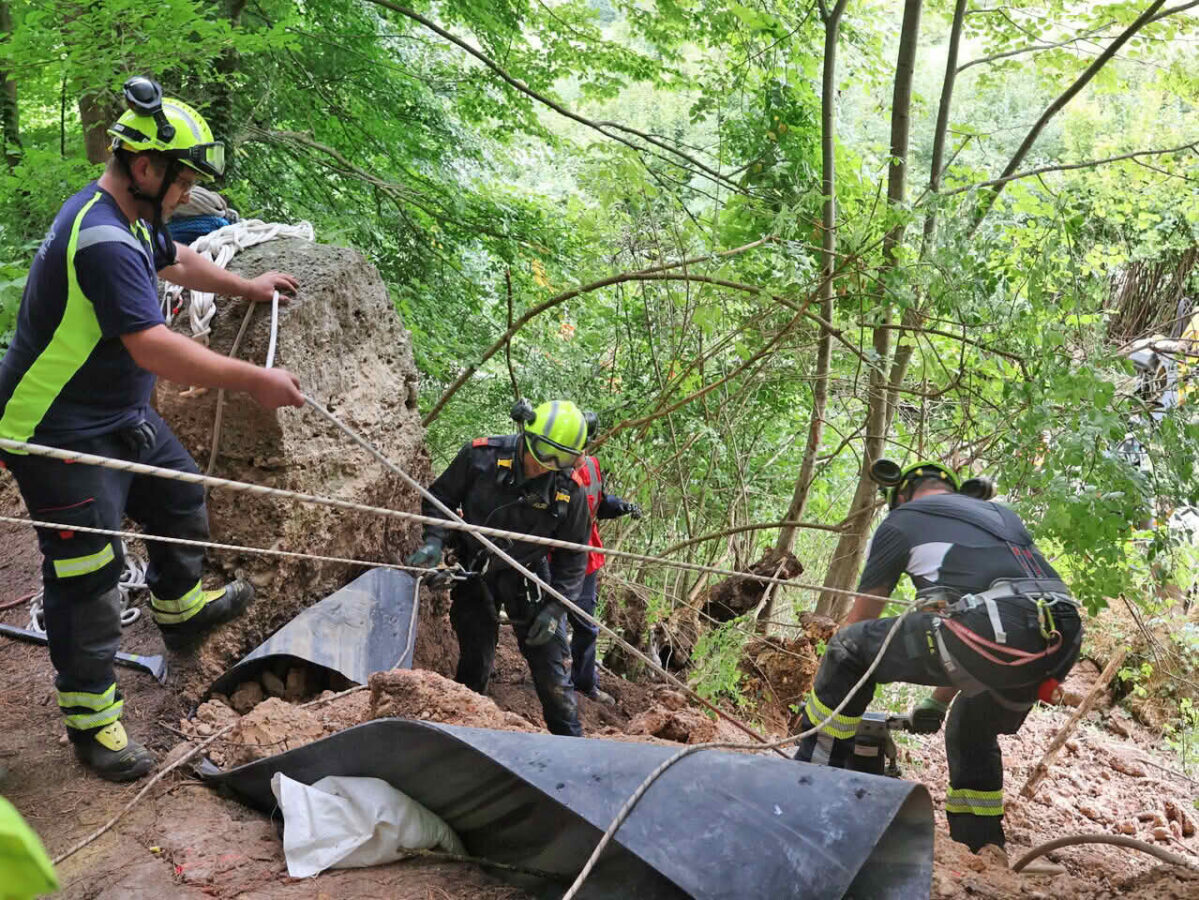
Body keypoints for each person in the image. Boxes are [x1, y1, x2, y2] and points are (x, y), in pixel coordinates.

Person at [0, 78, 304, 782]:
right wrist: (253, 380)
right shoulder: (102, 238)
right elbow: (152, 346)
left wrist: (246, 287)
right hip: (55, 429)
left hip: (112, 413)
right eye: (183, 178)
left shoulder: (128, 215)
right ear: (146, 167)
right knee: (89, 579)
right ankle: (92, 719)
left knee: (178, 497)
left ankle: (179, 607)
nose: (187, 191)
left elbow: (172, 258)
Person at [793, 461, 1082, 867]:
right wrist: (939, 703)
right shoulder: (1002, 515)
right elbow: (991, 631)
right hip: (1060, 637)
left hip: (994, 631)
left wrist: (824, 695)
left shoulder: (902, 520)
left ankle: (809, 785)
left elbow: (862, 623)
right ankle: (980, 848)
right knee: (973, 720)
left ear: (902, 495)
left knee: (846, 649)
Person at [406, 399, 591, 736]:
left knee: (553, 673)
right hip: (475, 568)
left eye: (560, 459)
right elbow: (439, 498)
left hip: (529, 575)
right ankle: (465, 735)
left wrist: (555, 608)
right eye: (542, 453)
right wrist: (434, 541)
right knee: (476, 654)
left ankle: (572, 744)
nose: (546, 465)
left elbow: (574, 558)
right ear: (526, 433)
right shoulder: (481, 457)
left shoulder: (568, 491)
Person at [566, 412, 641, 704]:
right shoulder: (551, 467)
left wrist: (620, 506)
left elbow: (598, 501)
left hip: (587, 558)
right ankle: (553, 683)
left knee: (586, 625)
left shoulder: (594, 466)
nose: (580, 453)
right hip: (552, 557)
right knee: (553, 624)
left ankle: (584, 684)